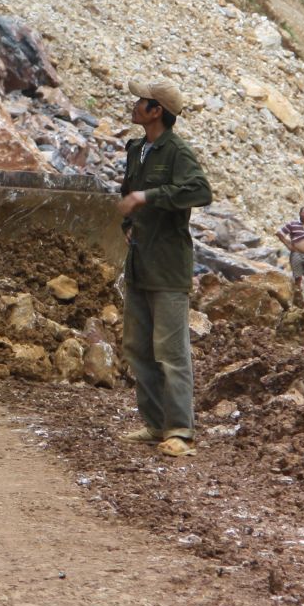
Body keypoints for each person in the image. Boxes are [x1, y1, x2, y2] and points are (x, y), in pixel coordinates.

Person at [117, 81, 213, 459]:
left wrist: (150, 196)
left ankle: (180, 430)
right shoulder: (138, 149)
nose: (135, 105)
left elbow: (200, 191)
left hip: (169, 266)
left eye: (142, 102)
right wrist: (128, 224)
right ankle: (155, 423)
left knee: (171, 352)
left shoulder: (177, 152)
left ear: (157, 111)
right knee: (137, 347)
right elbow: (128, 193)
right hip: (140, 263)